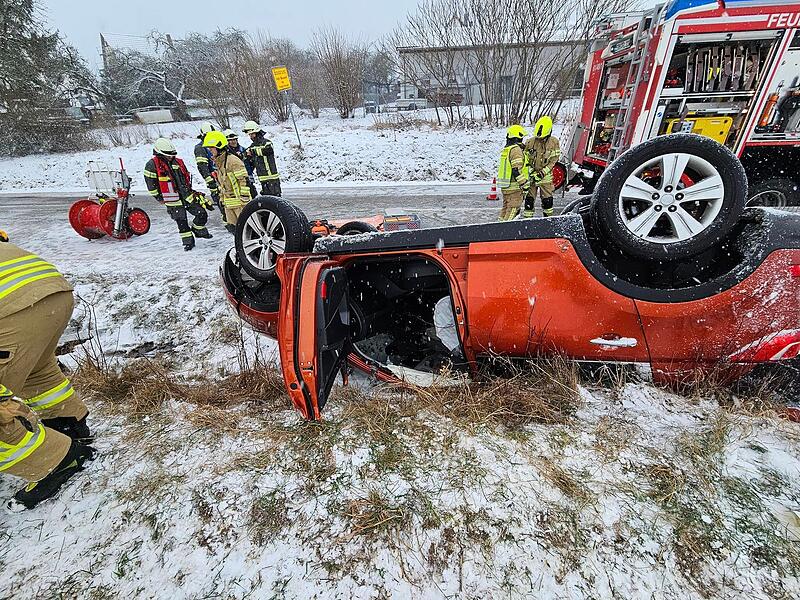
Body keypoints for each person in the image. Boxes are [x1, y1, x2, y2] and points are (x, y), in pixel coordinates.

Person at [0, 242, 97, 509]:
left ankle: (57, 460)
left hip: (11, 311)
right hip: (53, 291)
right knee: (36, 370)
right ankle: (69, 424)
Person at [144, 138, 213, 251]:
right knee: (182, 222)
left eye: (172, 155)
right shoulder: (151, 165)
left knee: (201, 213)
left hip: (186, 195)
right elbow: (151, 184)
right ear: (159, 153)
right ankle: (188, 242)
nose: (171, 157)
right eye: (168, 155)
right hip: (171, 199)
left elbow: (185, 178)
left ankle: (198, 230)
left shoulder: (178, 162)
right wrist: (159, 197)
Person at [204, 131, 252, 231]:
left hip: (240, 205)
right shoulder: (220, 163)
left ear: (219, 147)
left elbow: (244, 181)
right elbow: (223, 184)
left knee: (247, 231)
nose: (210, 150)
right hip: (229, 205)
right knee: (235, 231)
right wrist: (222, 199)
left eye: (211, 148)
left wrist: (244, 200)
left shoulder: (233, 161)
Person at [523, 116, 561, 218]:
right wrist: (531, 171)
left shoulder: (554, 142)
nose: (540, 139)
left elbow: (554, 160)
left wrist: (543, 172)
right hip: (532, 176)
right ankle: (527, 220)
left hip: (545, 177)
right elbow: (525, 159)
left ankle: (547, 219)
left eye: (543, 138)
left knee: (547, 201)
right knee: (529, 200)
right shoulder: (530, 142)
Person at [497, 124, 529, 221]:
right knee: (512, 211)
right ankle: (506, 229)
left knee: (505, 210)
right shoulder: (516, 150)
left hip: (506, 187)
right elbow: (516, 170)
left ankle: (498, 226)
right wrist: (524, 184)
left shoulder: (507, 149)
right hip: (514, 188)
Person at [242, 121, 282, 197]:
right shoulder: (252, 146)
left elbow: (268, 151)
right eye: (250, 135)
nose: (251, 137)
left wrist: (252, 152)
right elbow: (251, 160)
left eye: (252, 134)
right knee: (267, 199)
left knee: (275, 198)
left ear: (257, 132)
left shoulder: (267, 143)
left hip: (272, 177)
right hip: (262, 178)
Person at [193, 122, 222, 214]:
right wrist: (211, 183)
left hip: (222, 178)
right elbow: (202, 168)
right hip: (214, 181)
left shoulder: (214, 144)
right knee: (223, 207)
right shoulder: (200, 148)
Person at [225, 129, 258, 198]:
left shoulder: (244, 150)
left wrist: (249, 171)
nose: (233, 141)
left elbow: (252, 163)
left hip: (247, 176)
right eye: (231, 140)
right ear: (227, 141)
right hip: (234, 178)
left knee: (252, 194)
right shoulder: (227, 153)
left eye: (234, 139)